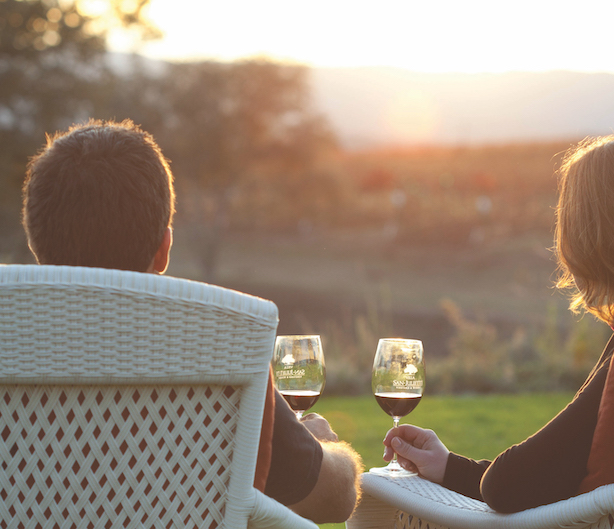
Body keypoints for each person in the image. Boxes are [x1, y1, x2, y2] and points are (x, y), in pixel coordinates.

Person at [381, 134, 614, 513]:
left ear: (596, 238)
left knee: (379, 499)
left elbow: (509, 485)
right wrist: (449, 468)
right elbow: (554, 472)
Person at [21, 119, 361, 522]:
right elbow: (334, 499)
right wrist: (323, 447)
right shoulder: (220, 347)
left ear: (34, 242)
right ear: (164, 249)